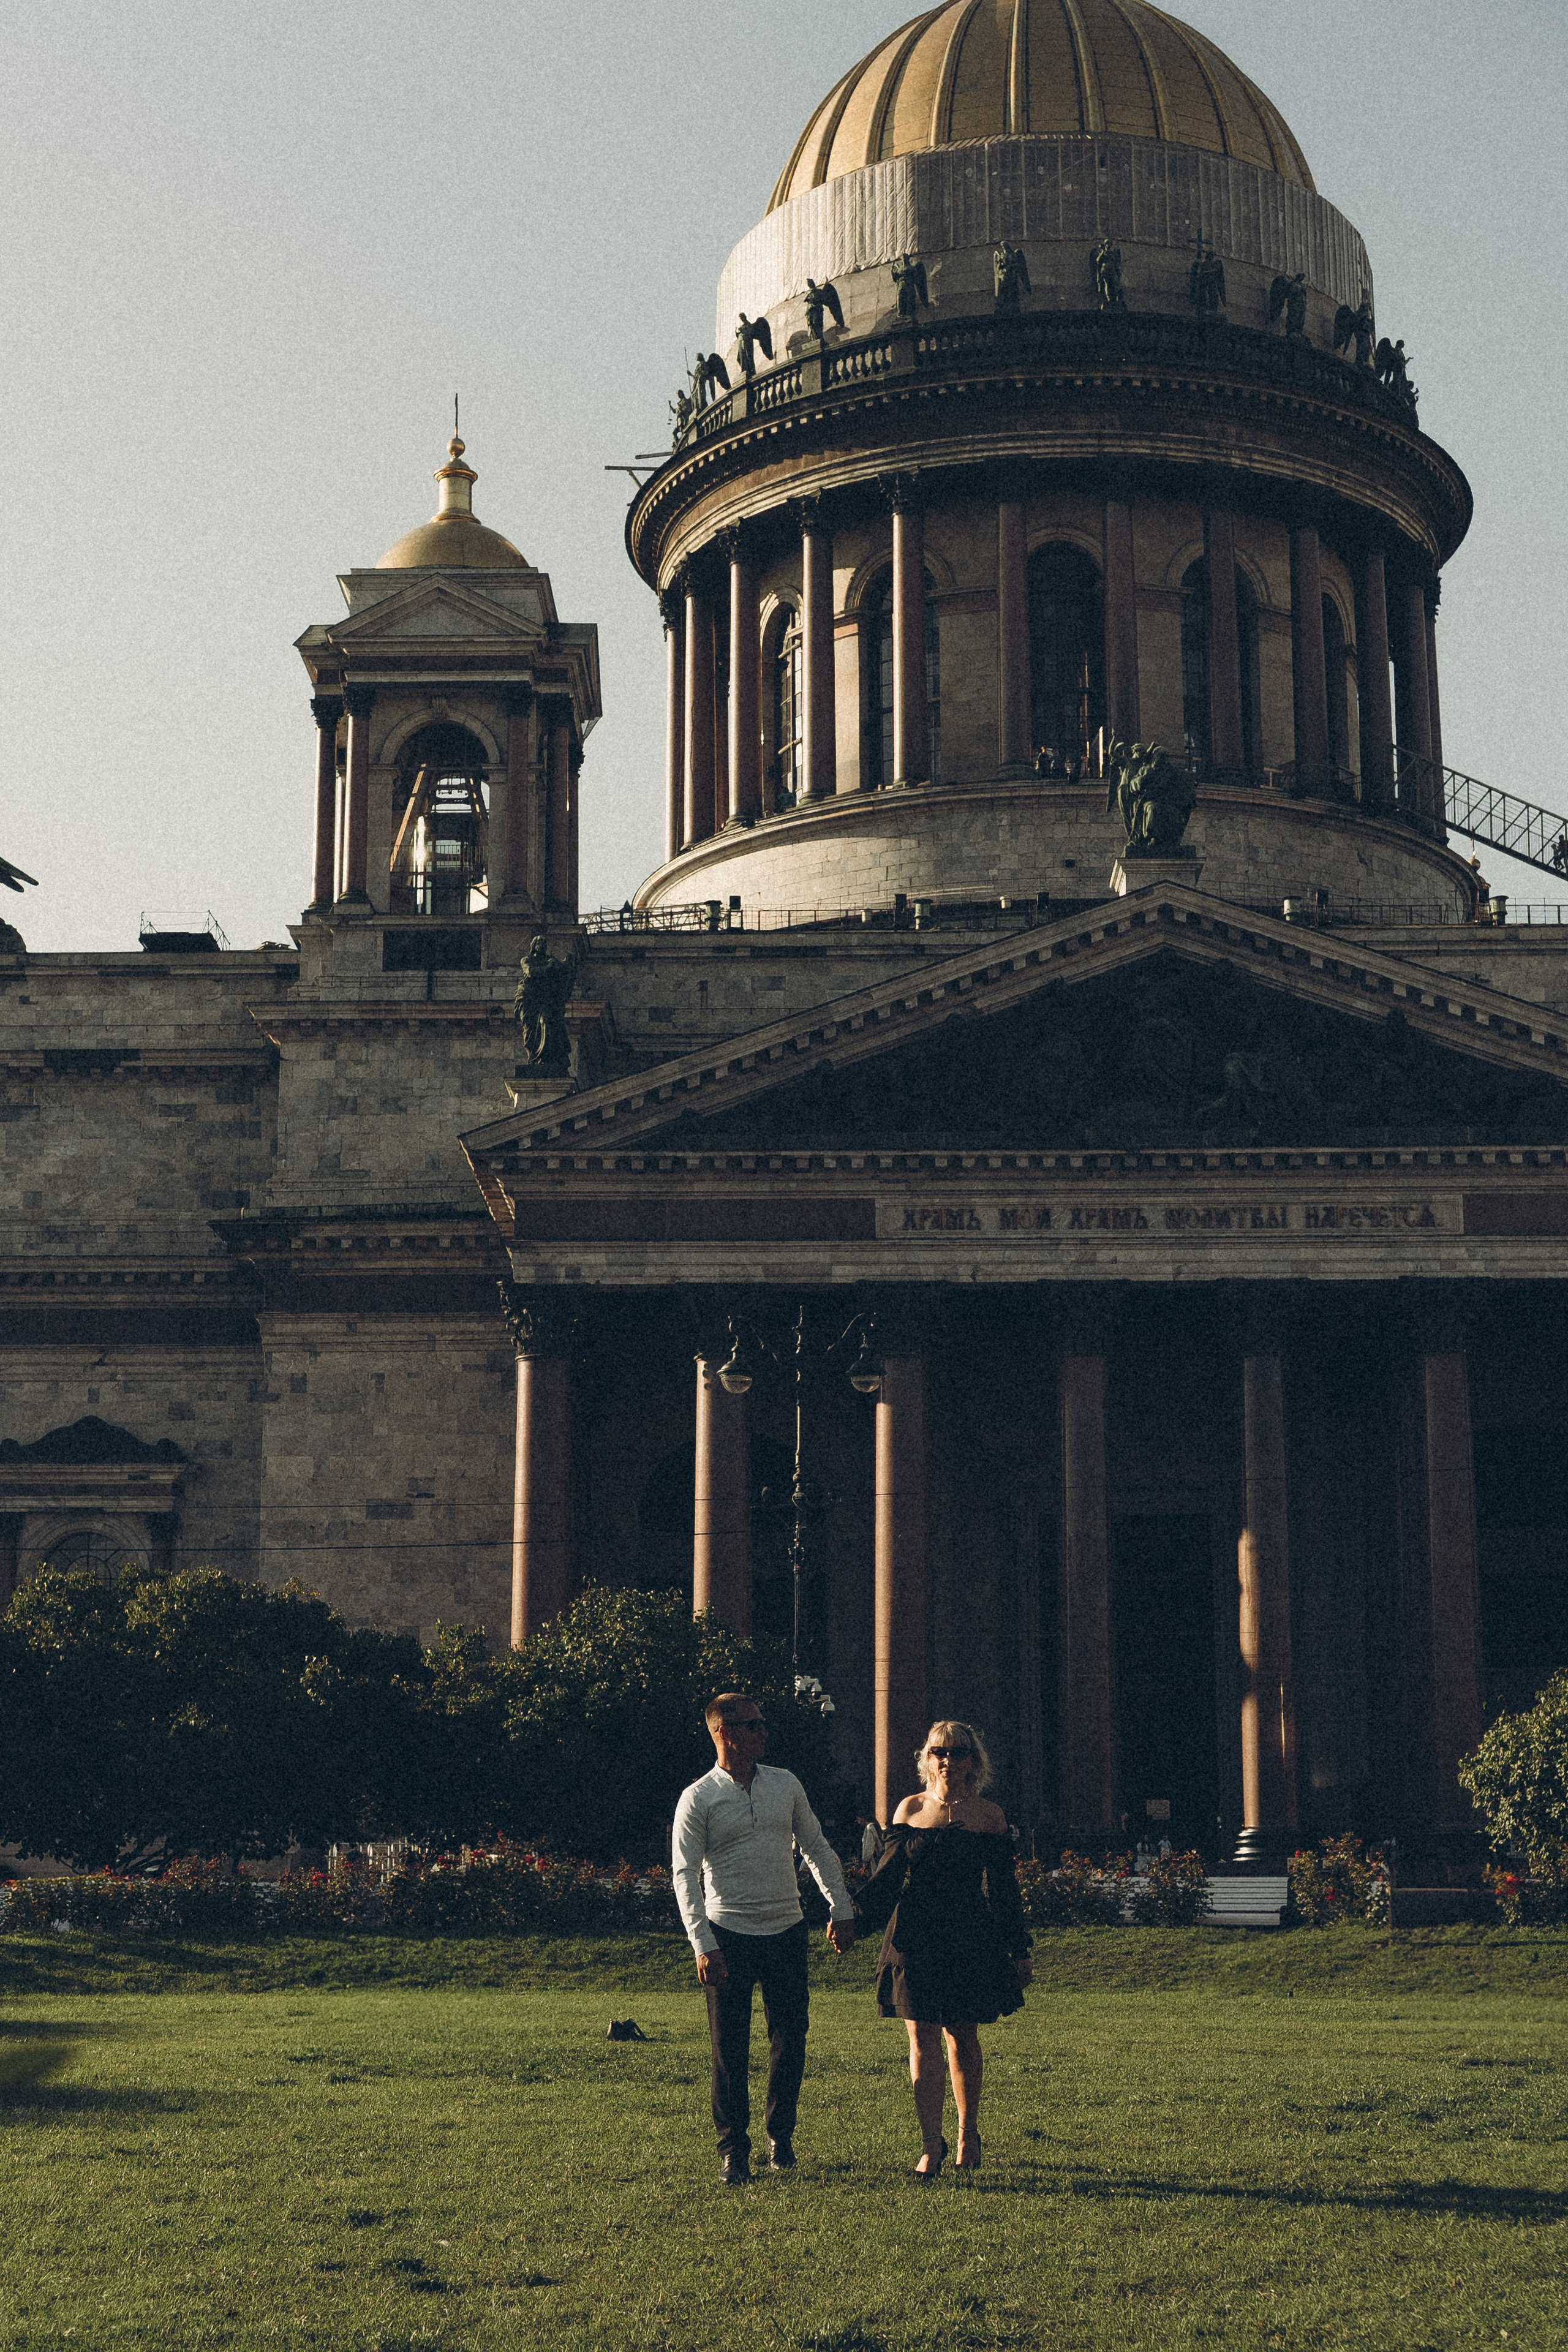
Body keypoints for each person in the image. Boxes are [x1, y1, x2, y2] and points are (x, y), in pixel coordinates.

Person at [673, 1692, 856, 2185]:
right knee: (728, 2048)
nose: (763, 1731)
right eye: (753, 1725)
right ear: (724, 1732)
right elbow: (684, 1874)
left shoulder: (785, 1784)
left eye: (762, 1723)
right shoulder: (698, 1797)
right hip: (727, 1934)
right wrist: (702, 1944)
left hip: (787, 1931)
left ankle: (782, 2136)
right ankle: (735, 2149)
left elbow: (815, 1846)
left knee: (790, 2037)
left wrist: (840, 1908)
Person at [854, 1719, 1031, 2179]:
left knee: (962, 2036)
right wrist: (853, 1922)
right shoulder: (909, 1809)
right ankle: (931, 2144)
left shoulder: (989, 1816)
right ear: (926, 1758)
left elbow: (1005, 1891)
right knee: (920, 2038)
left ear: (973, 1761)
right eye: (939, 1752)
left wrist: (1019, 1949)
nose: (947, 1760)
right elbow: (887, 1879)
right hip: (914, 1935)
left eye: (957, 1752)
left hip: (969, 1935)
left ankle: (969, 2133)